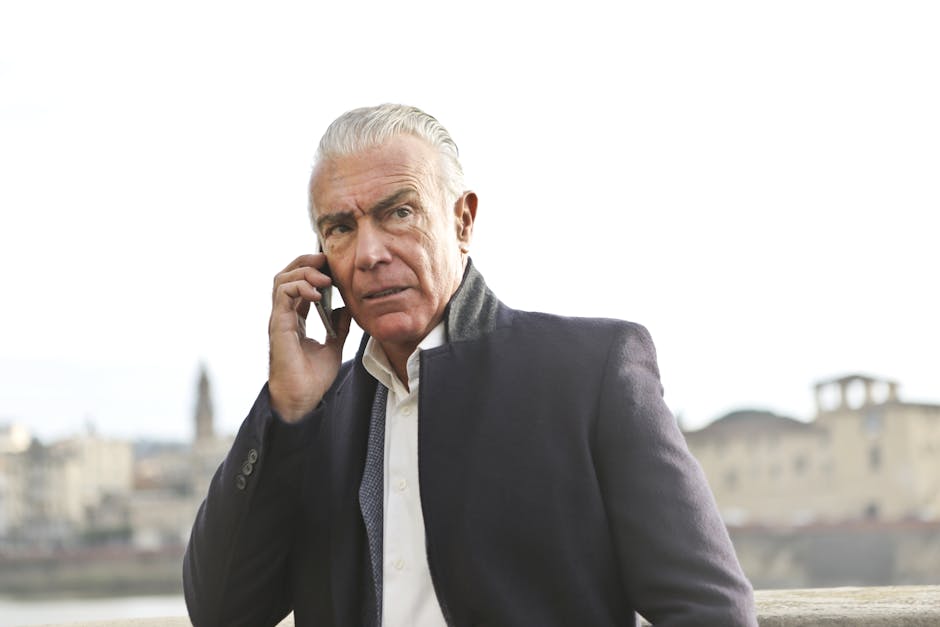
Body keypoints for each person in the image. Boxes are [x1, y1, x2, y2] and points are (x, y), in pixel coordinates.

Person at [183, 104, 757, 626]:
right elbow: (222, 612)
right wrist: (287, 411)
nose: (370, 253)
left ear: (462, 221)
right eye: (341, 228)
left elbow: (709, 611)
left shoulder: (590, 374)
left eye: (398, 212)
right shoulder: (312, 420)